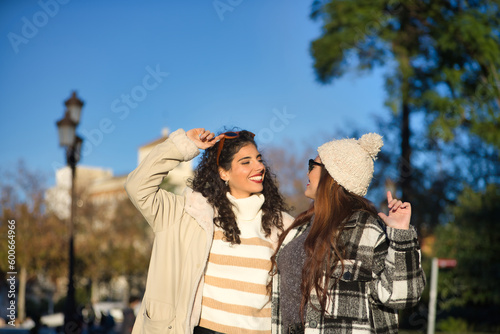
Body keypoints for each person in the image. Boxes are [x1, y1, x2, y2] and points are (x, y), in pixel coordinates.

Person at [125, 128, 293, 334]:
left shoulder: (284, 226)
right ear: (224, 172)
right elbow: (137, 186)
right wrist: (184, 144)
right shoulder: (188, 214)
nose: (259, 166)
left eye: (259, 159)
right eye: (246, 161)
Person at [270, 133, 426, 334]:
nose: (307, 172)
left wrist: (401, 235)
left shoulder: (368, 229)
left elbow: (403, 295)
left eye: (312, 165)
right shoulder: (300, 228)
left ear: (333, 176)